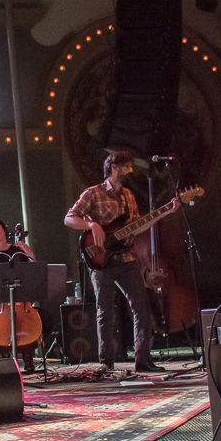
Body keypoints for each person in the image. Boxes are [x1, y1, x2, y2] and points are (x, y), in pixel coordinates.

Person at [64, 150, 177, 373]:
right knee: (105, 311)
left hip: (126, 258)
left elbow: (137, 226)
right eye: (127, 166)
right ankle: (106, 362)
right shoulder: (93, 193)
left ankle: (142, 360)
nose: (131, 170)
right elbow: (69, 218)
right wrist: (91, 225)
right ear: (114, 166)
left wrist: (164, 213)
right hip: (101, 261)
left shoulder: (128, 196)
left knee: (142, 307)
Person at [0, 216, 39, 372]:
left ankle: (28, 355)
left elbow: (34, 275)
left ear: (4, 229)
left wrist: (30, 254)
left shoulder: (19, 251)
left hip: (21, 303)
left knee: (46, 318)